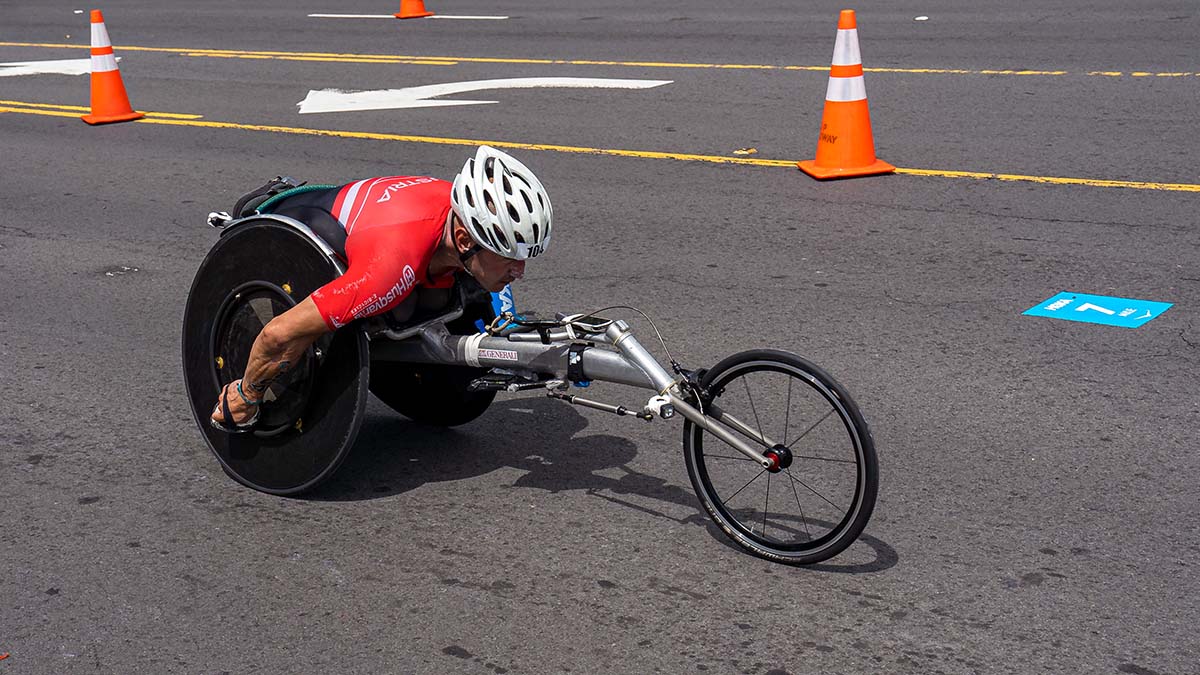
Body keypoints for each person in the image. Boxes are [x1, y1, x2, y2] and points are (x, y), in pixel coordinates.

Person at [210, 145, 553, 432]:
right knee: (399, 306)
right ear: (463, 240)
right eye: (509, 258)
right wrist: (245, 395)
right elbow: (277, 335)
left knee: (433, 297)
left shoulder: (466, 222)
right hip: (306, 229)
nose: (520, 271)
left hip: (385, 231)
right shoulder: (390, 272)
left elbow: (495, 297)